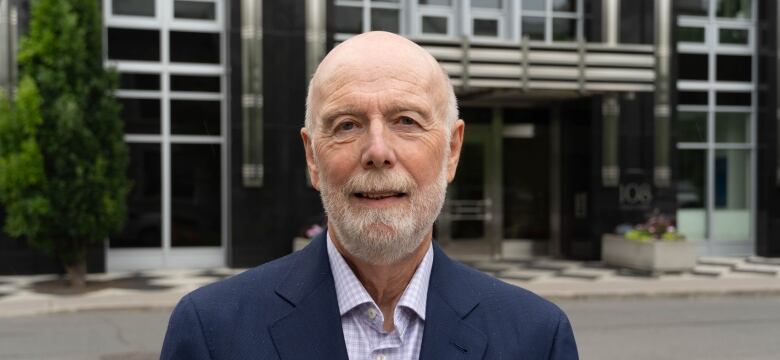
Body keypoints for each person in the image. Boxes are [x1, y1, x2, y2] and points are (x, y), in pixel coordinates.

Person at [161, 31, 578, 360]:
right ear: (312, 157)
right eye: (347, 125)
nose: (378, 151)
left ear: (452, 150)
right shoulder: (212, 333)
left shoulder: (536, 337)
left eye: (407, 120)